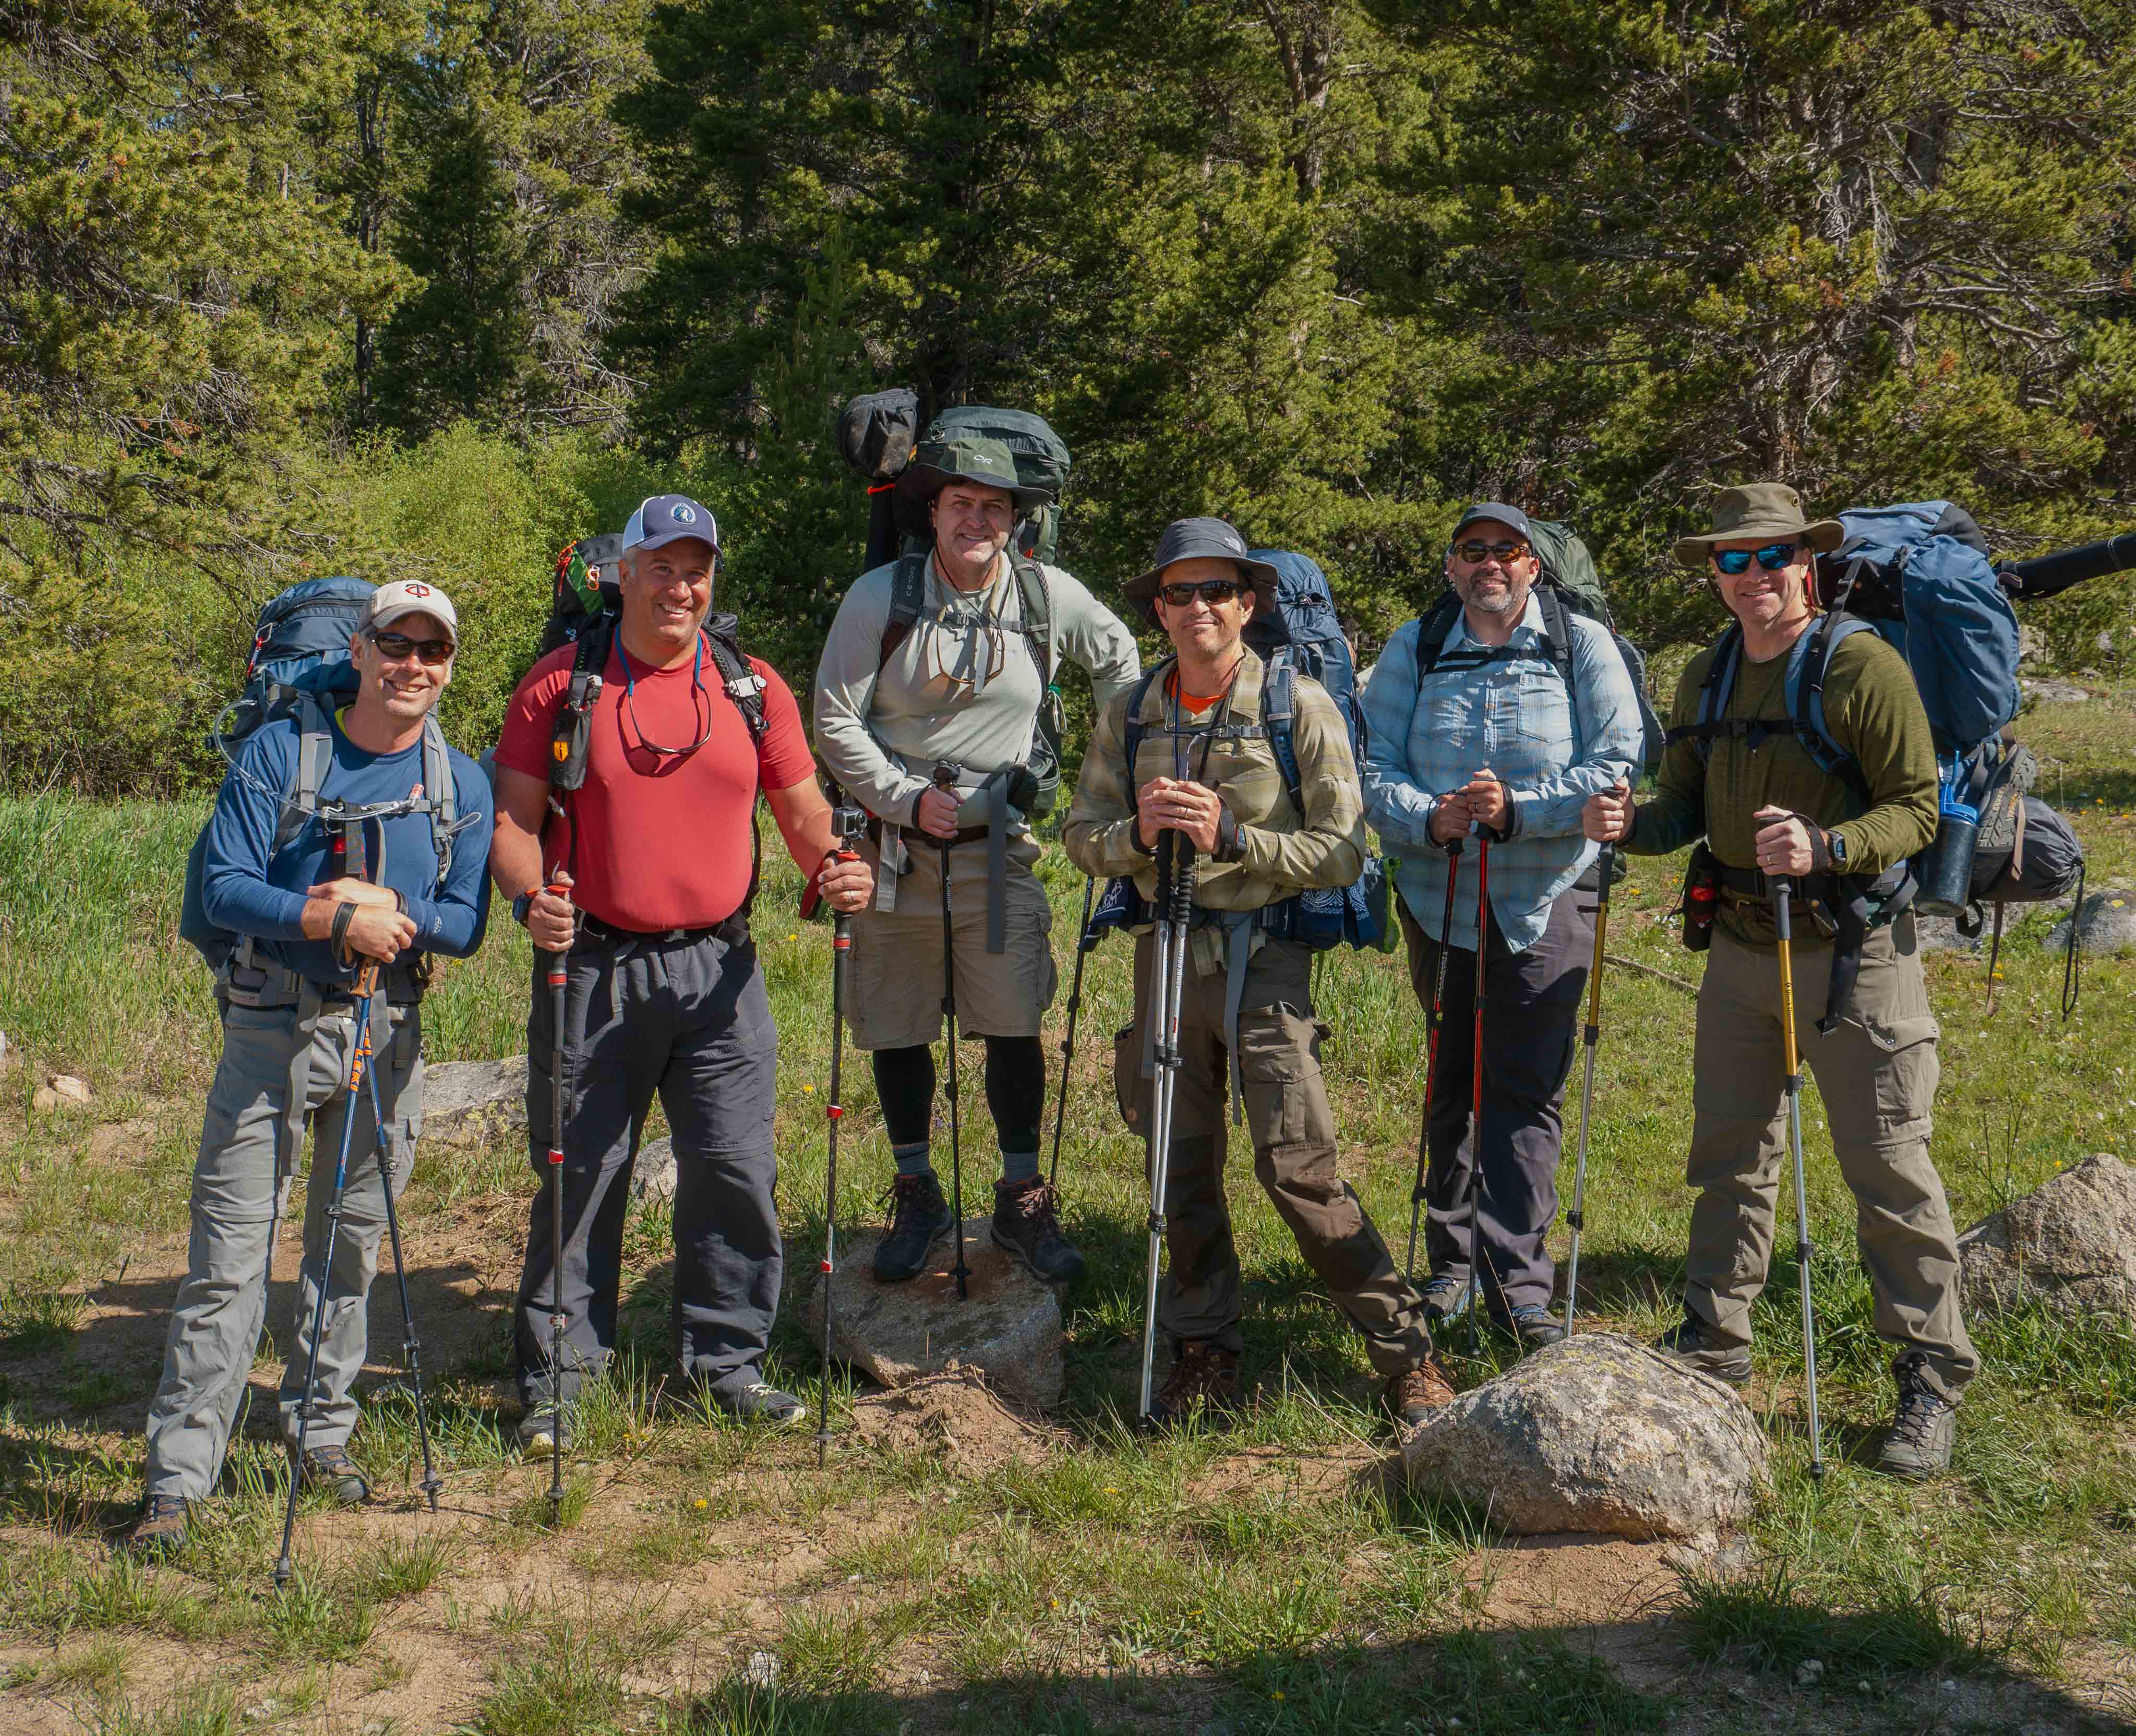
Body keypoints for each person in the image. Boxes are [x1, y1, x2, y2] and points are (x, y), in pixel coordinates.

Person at [1583, 481, 1977, 1478]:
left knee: (1885, 1166)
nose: (1753, 576)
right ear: (1715, 575)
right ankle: (1714, 1342)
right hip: (1740, 952)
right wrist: (1632, 824)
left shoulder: (1861, 667)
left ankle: (1929, 1374)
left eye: (1771, 558)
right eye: (1732, 560)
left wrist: (1830, 843)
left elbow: (1916, 811)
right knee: (1728, 1154)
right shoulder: (1704, 674)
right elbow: (1681, 804)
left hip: (1851, 957)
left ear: (1807, 562)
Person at [491, 495, 874, 1448]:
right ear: (623, 573)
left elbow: (801, 810)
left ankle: (725, 1363)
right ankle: (562, 1378)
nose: (680, 585)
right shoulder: (561, 685)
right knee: (580, 1173)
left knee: (736, 1168)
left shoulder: (751, 686)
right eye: (661, 565)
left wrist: (836, 866)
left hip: (719, 974)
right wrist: (530, 900)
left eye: (696, 567)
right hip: (590, 966)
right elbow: (509, 823)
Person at [126, 581, 493, 1555]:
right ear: (363, 650)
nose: (413, 665)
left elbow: (466, 923)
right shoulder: (282, 751)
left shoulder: (461, 780)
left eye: (433, 651)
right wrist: (332, 915)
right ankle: (178, 1482)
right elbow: (225, 886)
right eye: (395, 644)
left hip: (389, 1030)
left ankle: (318, 1435)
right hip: (270, 1029)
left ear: (449, 665)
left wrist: (391, 916)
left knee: (348, 1246)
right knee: (229, 1259)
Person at [1064, 517, 1456, 1428]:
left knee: (1297, 1164)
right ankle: (1204, 1345)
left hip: (1264, 953)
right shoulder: (1130, 711)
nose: (1197, 608)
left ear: (1247, 604)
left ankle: (1404, 1351)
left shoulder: (1298, 703)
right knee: (1179, 1163)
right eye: (1178, 593)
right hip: (1163, 948)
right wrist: (1138, 836)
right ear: (1158, 611)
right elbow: (1082, 838)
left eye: (1215, 592)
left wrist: (1230, 836)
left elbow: (1342, 851)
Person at [814, 435, 1138, 1287]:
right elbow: (834, 719)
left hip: (1000, 855)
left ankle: (1021, 1194)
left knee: (1012, 1022)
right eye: (961, 503)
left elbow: (1120, 666)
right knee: (898, 1021)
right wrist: (902, 798)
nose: (977, 519)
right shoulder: (880, 597)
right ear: (932, 512)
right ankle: (916, 1189)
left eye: (995, 507)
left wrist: (1098, 782)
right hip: (893, 851)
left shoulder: (1043, 595)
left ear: (1016, 520)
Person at [1361, 504, 1642, 1347]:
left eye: (1506, 551)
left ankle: (1517, 1282)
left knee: (1521, 1087)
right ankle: (1449, 1263)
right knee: (1452, 1080)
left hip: (1545, 895)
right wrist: (1429, 819)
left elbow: (1615, 765)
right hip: (1437, 898)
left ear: (1532, 568)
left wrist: (1520, 810)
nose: (1488, 563)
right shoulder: (1415, 646)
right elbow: (1370, 766)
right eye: (1471, 551)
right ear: (1450, 568)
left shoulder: (1579, 644)